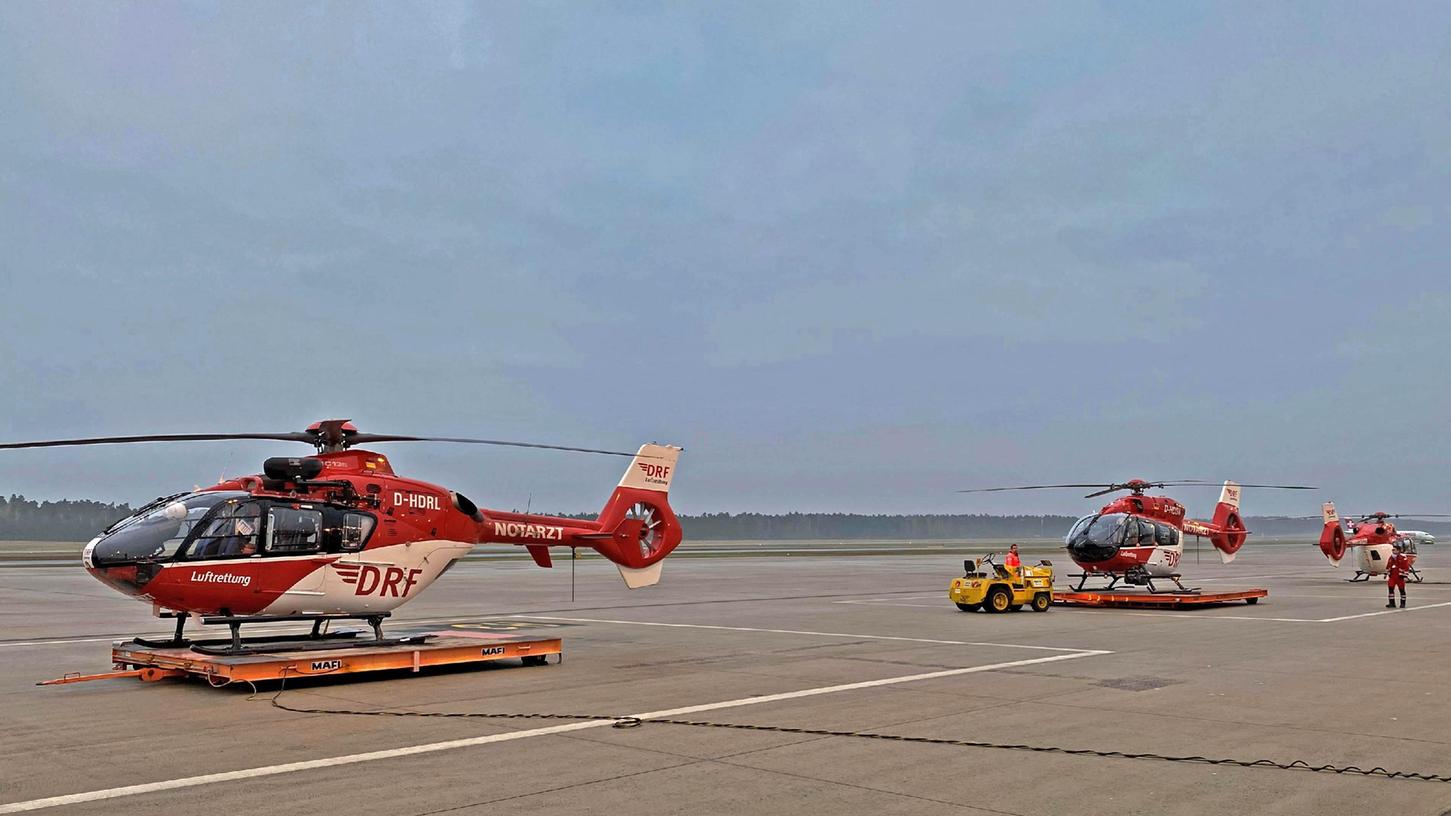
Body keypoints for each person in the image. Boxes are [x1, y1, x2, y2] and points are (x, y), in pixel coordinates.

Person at [1386, 542, 1411, 609]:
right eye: (1392, 550)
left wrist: (1405, 576)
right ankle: (1392, 603)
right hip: (1392, 577)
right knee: (1390, 589)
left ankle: (1402, 603)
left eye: (1394, 550)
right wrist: (1387, 573)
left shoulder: (1403, 558)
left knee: (1402, 590)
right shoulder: (1391, 558)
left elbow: (1406, 567)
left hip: (1400, 577)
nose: (1393, 551)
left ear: (1398, 550)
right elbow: (1388, 566)